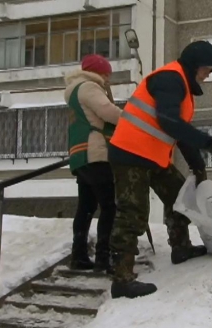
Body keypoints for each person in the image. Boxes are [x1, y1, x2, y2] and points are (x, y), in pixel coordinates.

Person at [108, 41, 212, 299]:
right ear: (195, 65)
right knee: (133, 212)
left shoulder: (184, 89)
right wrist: (208, 142)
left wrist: (199, 166)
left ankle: (181, 247)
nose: (208, 75)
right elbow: (169, 122)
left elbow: (180, 134)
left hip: (153, 156)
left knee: (181, 198)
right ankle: (122, 279)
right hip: (130, 153)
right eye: (207, 70)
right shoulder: (169, 78)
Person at [64, 54, 122, 273]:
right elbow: (107, 112)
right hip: (95, 152)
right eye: (106, 74)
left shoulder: (73, 91)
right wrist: (131, 119)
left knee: (86, 207)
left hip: (80, 155)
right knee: (109, 206)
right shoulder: (89, 87)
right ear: (98, 72)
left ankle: (78, 256)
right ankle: (103, 258)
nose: (108, 79)